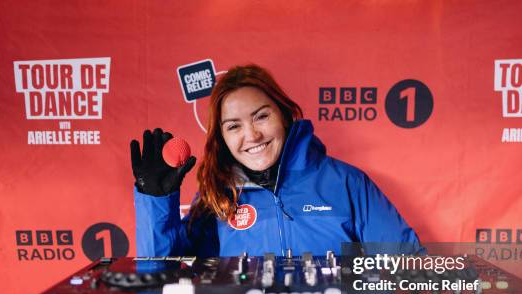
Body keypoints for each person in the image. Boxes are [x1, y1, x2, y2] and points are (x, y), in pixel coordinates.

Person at [131, 64, 422, 257]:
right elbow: (160, 275)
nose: (252, 135)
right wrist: (156, 200)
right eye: (234, 126)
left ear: (283, 115)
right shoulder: (217, 197)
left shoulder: (347, 183)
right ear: (222, 137)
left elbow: (406, 269)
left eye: (261, 116)